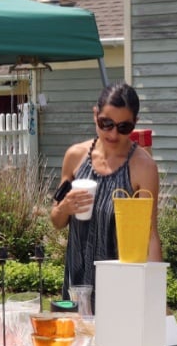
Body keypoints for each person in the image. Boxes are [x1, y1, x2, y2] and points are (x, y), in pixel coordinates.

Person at [50, 83, 162, 298]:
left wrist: (155, 294)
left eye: (123, 127)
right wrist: (64, 208)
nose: (113, 134)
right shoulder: (75, 157)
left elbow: (150, 234)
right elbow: (56, 221)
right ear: (95, 114)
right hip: (78, 282)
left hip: (121, 284)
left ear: (135, 124)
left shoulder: (143, 167)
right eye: (106, 123)